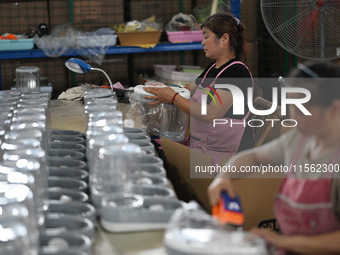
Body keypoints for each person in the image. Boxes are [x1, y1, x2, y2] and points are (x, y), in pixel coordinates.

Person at [208, 61, 340, 254]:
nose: (292, 114)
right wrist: (223, 178)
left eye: (301, 107)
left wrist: (285, 242)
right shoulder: (299, 139)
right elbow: (254, 158)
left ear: (334, 109)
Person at [144, 12, 255, 165]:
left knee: (155, 157)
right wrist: (160, 90)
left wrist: (173, 97)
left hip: (219, 157)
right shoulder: (213, 69)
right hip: (200, 146)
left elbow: (211, 113)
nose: (202, 42)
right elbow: (187, 90)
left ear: (224, 39)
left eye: (206, 37)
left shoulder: (236, 73)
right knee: (149, 145)